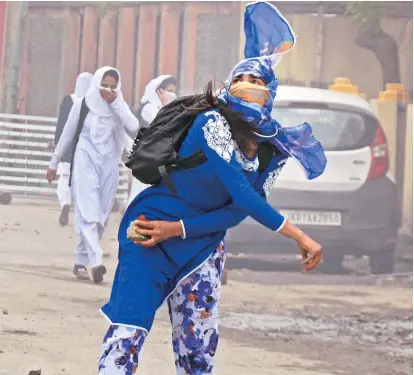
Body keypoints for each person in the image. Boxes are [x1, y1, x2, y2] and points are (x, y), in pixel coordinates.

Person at [98, 3, 326, 374]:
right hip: (150, 229)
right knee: (127, 336)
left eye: (258, 82)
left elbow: (238, 210)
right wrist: (299, 235)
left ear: (272, 92)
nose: (249, 86)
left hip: (202, 247)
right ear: (229, 84)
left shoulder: (272, 148)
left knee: (198, 353)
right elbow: (242, 192)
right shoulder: (212, 122)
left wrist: (181, 230)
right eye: (243, 79)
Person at [46, 67, 139, 283]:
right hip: (84, 158)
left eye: (112, 85)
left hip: (109, 163)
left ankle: (80, 261)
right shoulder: (83, 105)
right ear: (96, 83)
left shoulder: (118, 106)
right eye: (103, 84)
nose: (107, 89)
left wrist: (116, 103)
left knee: (101, 216)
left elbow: (133, 126)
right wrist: (53, 163)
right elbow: (67, 134)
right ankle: (96, 261)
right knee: (87, 212)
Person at [127, 75, 178, 206]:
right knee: (140, 193)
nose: (172, 94)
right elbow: (164, 125)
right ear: (158, 91)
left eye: (174, 91)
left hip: (157, 157)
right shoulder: (148, 107)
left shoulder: (162, 108)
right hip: (146, 157)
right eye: (169, 90)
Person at [51, 72, 92, 227]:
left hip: (68, 147)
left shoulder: (68, 101)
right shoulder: (93, 103)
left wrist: (57, 143)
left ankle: (65, 204)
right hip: (85, 147)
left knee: (64, 178)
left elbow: (61, 124)